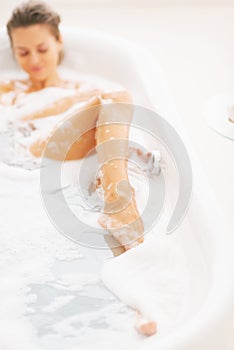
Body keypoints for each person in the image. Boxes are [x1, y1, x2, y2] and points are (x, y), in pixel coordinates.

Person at [1, 0, 157, 336]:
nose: (34, 60)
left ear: (59, 42)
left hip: (70, 157)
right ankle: (121, 202)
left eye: (42, 48)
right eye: (23, 53)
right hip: (31, 152)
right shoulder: (9, 90)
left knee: (105, 179)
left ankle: (143, 304)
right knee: (117, 97)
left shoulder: (84, 90)